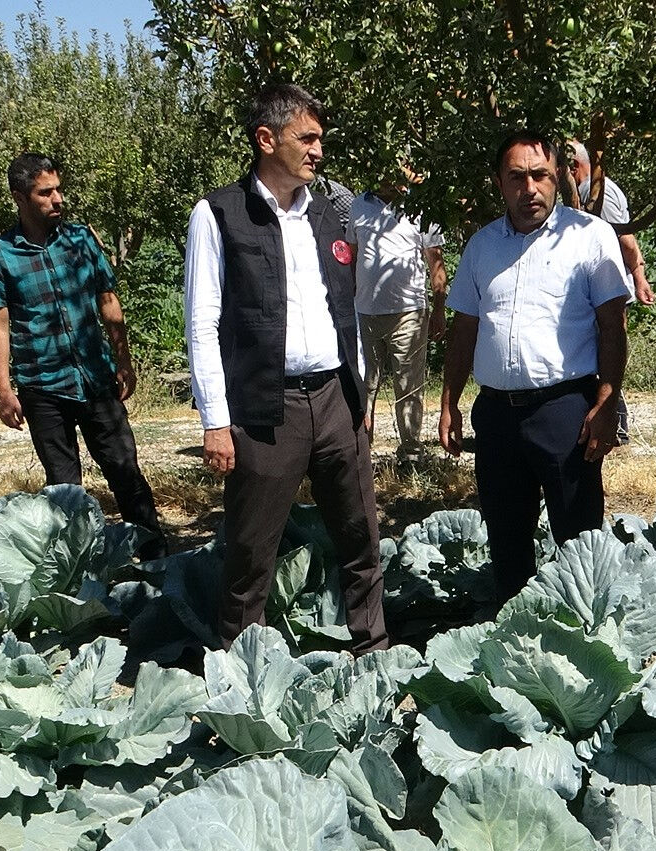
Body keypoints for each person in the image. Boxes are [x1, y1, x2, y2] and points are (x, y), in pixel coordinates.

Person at [184, 83, 388, 652]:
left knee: (361, 539)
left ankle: (373, 655)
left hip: (337, 400)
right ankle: (240, 674)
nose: (319, 150)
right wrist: (215, 421)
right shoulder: (219, 214)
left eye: (321, 139)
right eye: (308, 138)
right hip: (264, 410)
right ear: (266, 139)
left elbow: (348, 308)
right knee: (252, 552)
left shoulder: (330, 212)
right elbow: (202, 322)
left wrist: (359, 392)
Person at [438, 131, 631, 603]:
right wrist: (448, 403)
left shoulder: (589, 237)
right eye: (517, 177)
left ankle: (588, 631)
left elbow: (613, 326)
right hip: (496, 417)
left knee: (579, 542)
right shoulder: (482, 247)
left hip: (566, 413)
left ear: (558, 176)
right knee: (506, 539)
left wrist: (607, 404)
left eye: (540, 175)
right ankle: (515, 631)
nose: (530, 188)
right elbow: (464, 331)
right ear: (499, 183)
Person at [0, 153, 167, 560]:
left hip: (95, 377)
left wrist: (123, 359)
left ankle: (156, 562)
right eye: (45, 192)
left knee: (125, 471)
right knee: (64, 488)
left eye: (58, 189)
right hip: (42, 386)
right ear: (20, 198)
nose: (57, 199)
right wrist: (4, 391)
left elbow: (108, 299)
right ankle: (79, 571)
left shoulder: (81, 240)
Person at [349, 171, 446, 452]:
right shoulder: (359, 205)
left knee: (409, 386)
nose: (391, 174)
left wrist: (439, 309)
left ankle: (411, 453)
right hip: (365, 312)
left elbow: (436, 264)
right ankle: (362, 452)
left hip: (409, 312)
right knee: (364, 384)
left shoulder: (421, 208)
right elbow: (352, 257)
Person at [568, 140, 655, 303]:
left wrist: (639, 278)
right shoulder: (593, 189)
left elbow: (625, 240)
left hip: (609, 294)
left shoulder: (598, 194)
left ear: (574, 165)